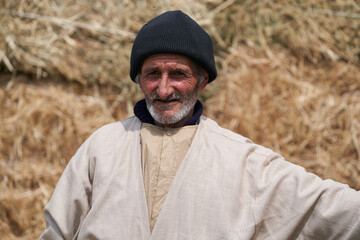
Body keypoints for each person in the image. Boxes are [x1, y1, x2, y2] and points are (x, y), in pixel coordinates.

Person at [39, 10, 360, 240]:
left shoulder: (243, 161)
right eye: (153, 74)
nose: (163, 90)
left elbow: (328, 209)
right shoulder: (102, 146)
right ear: (139, 79)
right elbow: (57, 232)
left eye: (178, 73)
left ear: (202, 80)